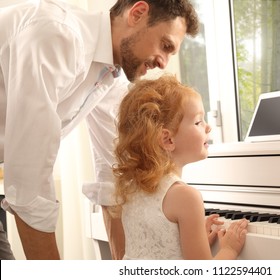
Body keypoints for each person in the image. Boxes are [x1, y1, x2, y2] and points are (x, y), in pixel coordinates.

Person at [0, 0, 199, 260]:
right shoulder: (58, 35)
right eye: (165, 45)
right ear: (137, 13)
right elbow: (29, 178)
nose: (164, 63)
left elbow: (111, 178)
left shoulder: (109, 77)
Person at [113, 75, 248, 259]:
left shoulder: (131, 188)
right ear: (168, 139)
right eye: (198, 122)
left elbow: (156, 249)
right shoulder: (186, 197)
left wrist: (194, 238)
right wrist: (229, 249)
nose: (208, 127)